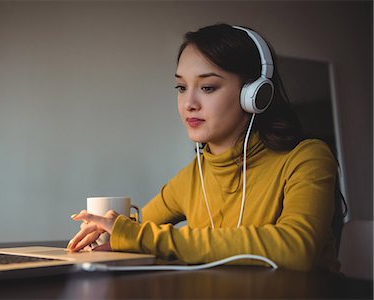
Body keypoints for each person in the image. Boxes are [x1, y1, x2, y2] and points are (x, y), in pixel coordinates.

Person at [67, 23, 339, 272]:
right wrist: (107, 231)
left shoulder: (307, 158)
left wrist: (137, 236)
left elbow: (297, 248)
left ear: (254, 95)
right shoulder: (192, 178)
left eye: (207, 87)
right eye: (181, 87)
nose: (189, 103)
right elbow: (135, 232)